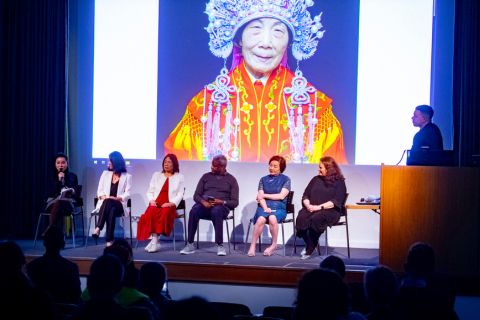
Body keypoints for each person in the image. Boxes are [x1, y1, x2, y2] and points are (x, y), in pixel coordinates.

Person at [164, 0, 347, 164]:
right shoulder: (205, 107)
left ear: (289, 42)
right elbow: (180, 169)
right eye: (256, 29)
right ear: (239, 39)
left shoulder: (315, 109)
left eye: (277, 31)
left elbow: (332, 177)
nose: (266, 43)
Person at [180, 154, 239, 256]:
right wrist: (203, 202)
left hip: (221, 208)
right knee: (194, 211)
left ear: (223, 167)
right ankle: (190, 244)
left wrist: (221, 202)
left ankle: (220, 245)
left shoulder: (231, 180)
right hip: (205, 206)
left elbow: (235, 202)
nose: (212, 167)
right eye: (212, 165)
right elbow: (196, 195)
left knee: (216, 211)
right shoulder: (206, 177)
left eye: (215, 166)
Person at [296, 156, 347, 259]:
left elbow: (336, 201)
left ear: (329, 169)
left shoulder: (339, 182)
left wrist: (318, 207)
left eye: (321, 167)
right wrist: (308, 205)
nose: (318, 170)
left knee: (317, 218)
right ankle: (310, 243)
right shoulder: (315, 179)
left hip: (330, 211)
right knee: (301, 218)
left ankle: (310, 248)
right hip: (312, 208)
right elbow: (305, 195)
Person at [136, 154, 185, 253]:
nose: (166, 164)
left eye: (169, 162)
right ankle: (155, 240)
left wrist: (171, 203)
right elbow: (150, 191)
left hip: (169, 204)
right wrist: (151, 200)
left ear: (174, 164)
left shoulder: (179, 177)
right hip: (156, 202)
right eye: (165, 162)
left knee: (164, 213)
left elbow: (180, 194)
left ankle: (154, 241)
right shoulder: (156, 175)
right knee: (150, 212)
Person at [247, 155, 291, 257]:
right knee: (260, 219)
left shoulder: (286, 179)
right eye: (270, 165)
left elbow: (281, 196)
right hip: (263, 206)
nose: (272, 168)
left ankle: (273, 245)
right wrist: (265, 207)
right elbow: (260, 197)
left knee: (272, 217)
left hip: (279, 207)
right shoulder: (263, 179)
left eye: (275, 166)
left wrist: (265, 195)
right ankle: (252, 245)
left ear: (281, 167)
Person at [27, 225, 82, 304]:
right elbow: (76, 295)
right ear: (62, 244)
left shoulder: (32, 266)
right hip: (64, 312)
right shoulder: (71, 268)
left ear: (44, 243)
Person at [92, 151, 132, 247]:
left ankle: (98, 227)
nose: (108, 163)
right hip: (107, 204)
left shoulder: (127, 177)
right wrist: (104, 196)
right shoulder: (105, 174)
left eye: (110, 161)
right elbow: (99, 190)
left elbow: (128, 193)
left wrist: (118, 197)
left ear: (116, 162)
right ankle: (109, 240)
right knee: (111, 208)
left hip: (119, 204)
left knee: (111, 203)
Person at [42, 152, 80, 235]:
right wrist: (59, 181)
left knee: (61, 203)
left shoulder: (72, 176)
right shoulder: (50, 176)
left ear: (67, 163)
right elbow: (49, 193)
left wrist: (71, 190)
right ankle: (57, 235)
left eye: (63, 162)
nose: (61, 165)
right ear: (55, 164)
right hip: (51, 203)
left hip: (68, 204)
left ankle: (50, 229)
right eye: (58, 163)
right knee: (59, 204)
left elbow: (76, 194)